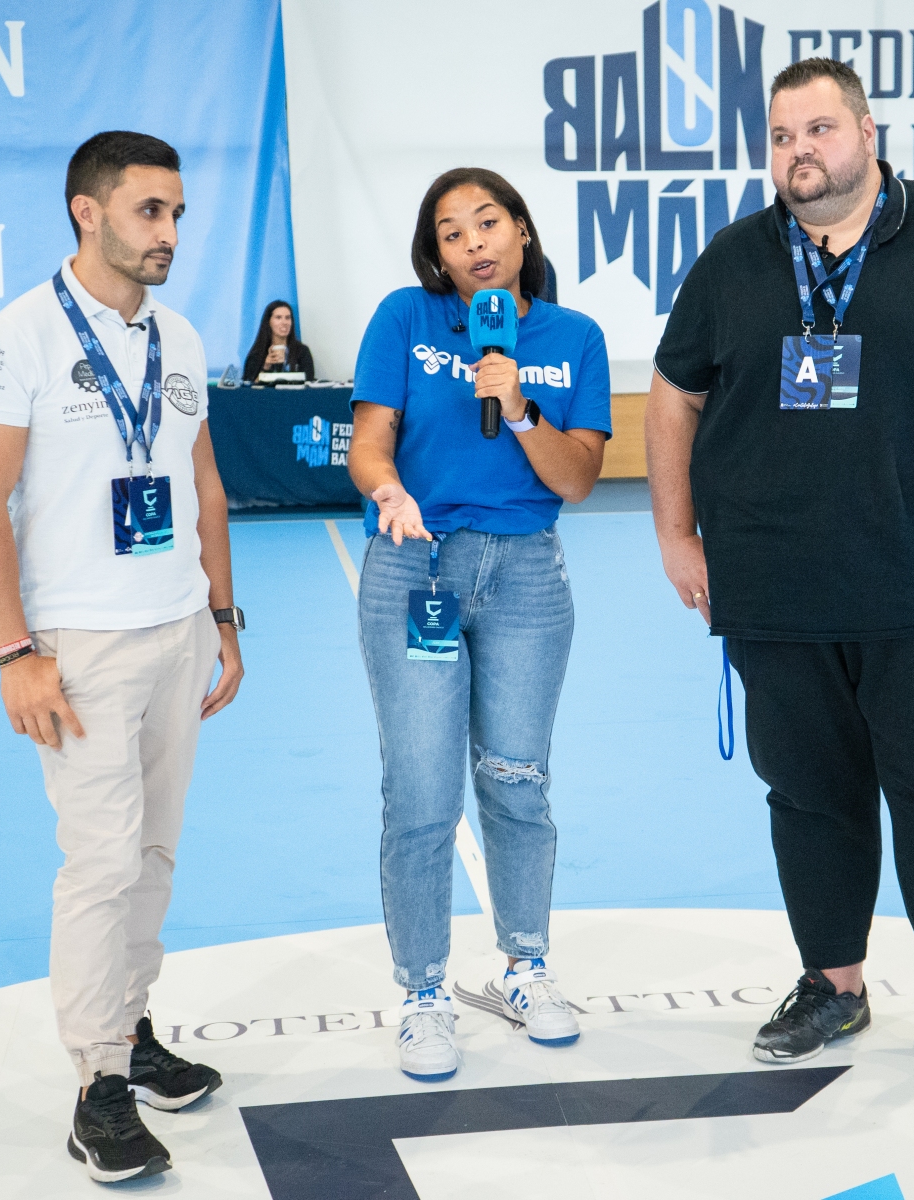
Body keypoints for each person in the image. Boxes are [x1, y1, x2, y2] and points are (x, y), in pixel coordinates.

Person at [647, 58, 914, 1089]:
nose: (799, 152)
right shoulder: (734, 260)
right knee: (809, 800)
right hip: (777, 594)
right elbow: (674, 395)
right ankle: (832, 987)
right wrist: (676, 534)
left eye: (819, 129)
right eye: (781, 137)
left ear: (867, 132)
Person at [0, 131, 245, 1184]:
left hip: (177, 629)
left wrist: (223, 617)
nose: (169, 233)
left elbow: (203, 486)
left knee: (154, 853)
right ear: (89, 211)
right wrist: (14, 652)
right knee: (101, 863)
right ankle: (97, 1088)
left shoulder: (182, 338)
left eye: (177, 214)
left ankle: (129, 1027)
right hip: (75, 646)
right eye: (149, 211)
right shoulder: (15, 338)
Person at [346, 167, 611, 1083]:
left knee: (518, 781)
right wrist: (388, 490)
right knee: (422, 793)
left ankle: (524, 968)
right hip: (416, 565)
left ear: (522, 231)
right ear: (437, 254)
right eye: (451, 233)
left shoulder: (574, 338)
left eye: (487, 222)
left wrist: (520, 405)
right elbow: (370, 441)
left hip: (527, 575)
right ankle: (424, 991)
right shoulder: (406, 319)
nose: (472, 244)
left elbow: (577, 478)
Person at [242, 299, 316, 381]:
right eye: (278, 317)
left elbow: (309, 381)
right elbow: (249, 385)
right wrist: (266, 367)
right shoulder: (257, 354)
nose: (284, 322)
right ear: (268, 322)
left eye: (287, 318)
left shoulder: (302, 351)